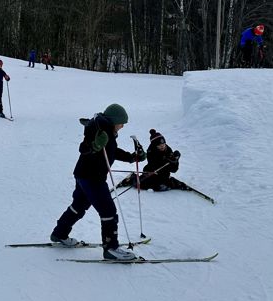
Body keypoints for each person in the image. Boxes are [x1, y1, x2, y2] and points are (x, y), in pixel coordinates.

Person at [50, 104, 147, 260]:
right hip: (92, 178)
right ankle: (111, 249)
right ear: (114, 120)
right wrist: (94, 146)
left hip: (83, 175)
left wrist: (132, 157)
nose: (122, 126)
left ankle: (59, 234)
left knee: (78, 206)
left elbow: (111, 152)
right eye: (122, 123)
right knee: (108, 211)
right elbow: (84, 148)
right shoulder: (98, 130)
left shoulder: (106, 130)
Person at [117, 129, 188, 192]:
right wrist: (167, 160)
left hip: (163, 174)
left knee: (163, 185)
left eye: (163, 143)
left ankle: (174, 182)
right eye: (159, 145)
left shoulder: (168, 150)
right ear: (155, 145)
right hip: (151, 172)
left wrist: (175, 161)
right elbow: (154, 165)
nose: (162, 146)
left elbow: (174, 170)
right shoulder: (151, 151)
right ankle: (132, 179)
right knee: (146, 185)